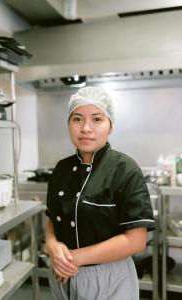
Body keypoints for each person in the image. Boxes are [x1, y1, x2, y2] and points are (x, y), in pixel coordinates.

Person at [45, 86, 155, 300]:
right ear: (68, 123)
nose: (86, 128)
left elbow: (136, 240)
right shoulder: (61, 169)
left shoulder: (125, 169)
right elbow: (52, 219)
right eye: (77, 119)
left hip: (109, 279)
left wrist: (73, 258)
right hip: (62, 275)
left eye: (97, 119)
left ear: (110, 125)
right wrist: (52, 246)